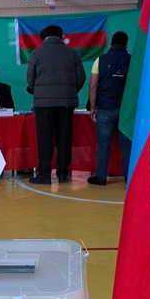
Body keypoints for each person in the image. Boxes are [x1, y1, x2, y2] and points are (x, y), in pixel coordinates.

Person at [26, 24, 86, 184]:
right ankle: (63, 174)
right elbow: (81, 77)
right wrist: (70, 91)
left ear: (43, 38)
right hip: (66, 103)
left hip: (43, 104)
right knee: (64, 138)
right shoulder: (72, 53)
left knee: (44, 139)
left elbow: (30, 78)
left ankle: (44, 175)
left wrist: (39, 91)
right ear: (61, 37)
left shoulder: (36, 53)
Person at [87, 30, 132, 186]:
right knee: (126, 146)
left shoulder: (100, 60)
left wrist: (93, 107)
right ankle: (129, 178)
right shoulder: (132, 60)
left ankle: (101, 177)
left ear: (111, 44)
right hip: (125, 110)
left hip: (105, 108)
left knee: (103, 145)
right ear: (126, 45)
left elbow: (93, 86)